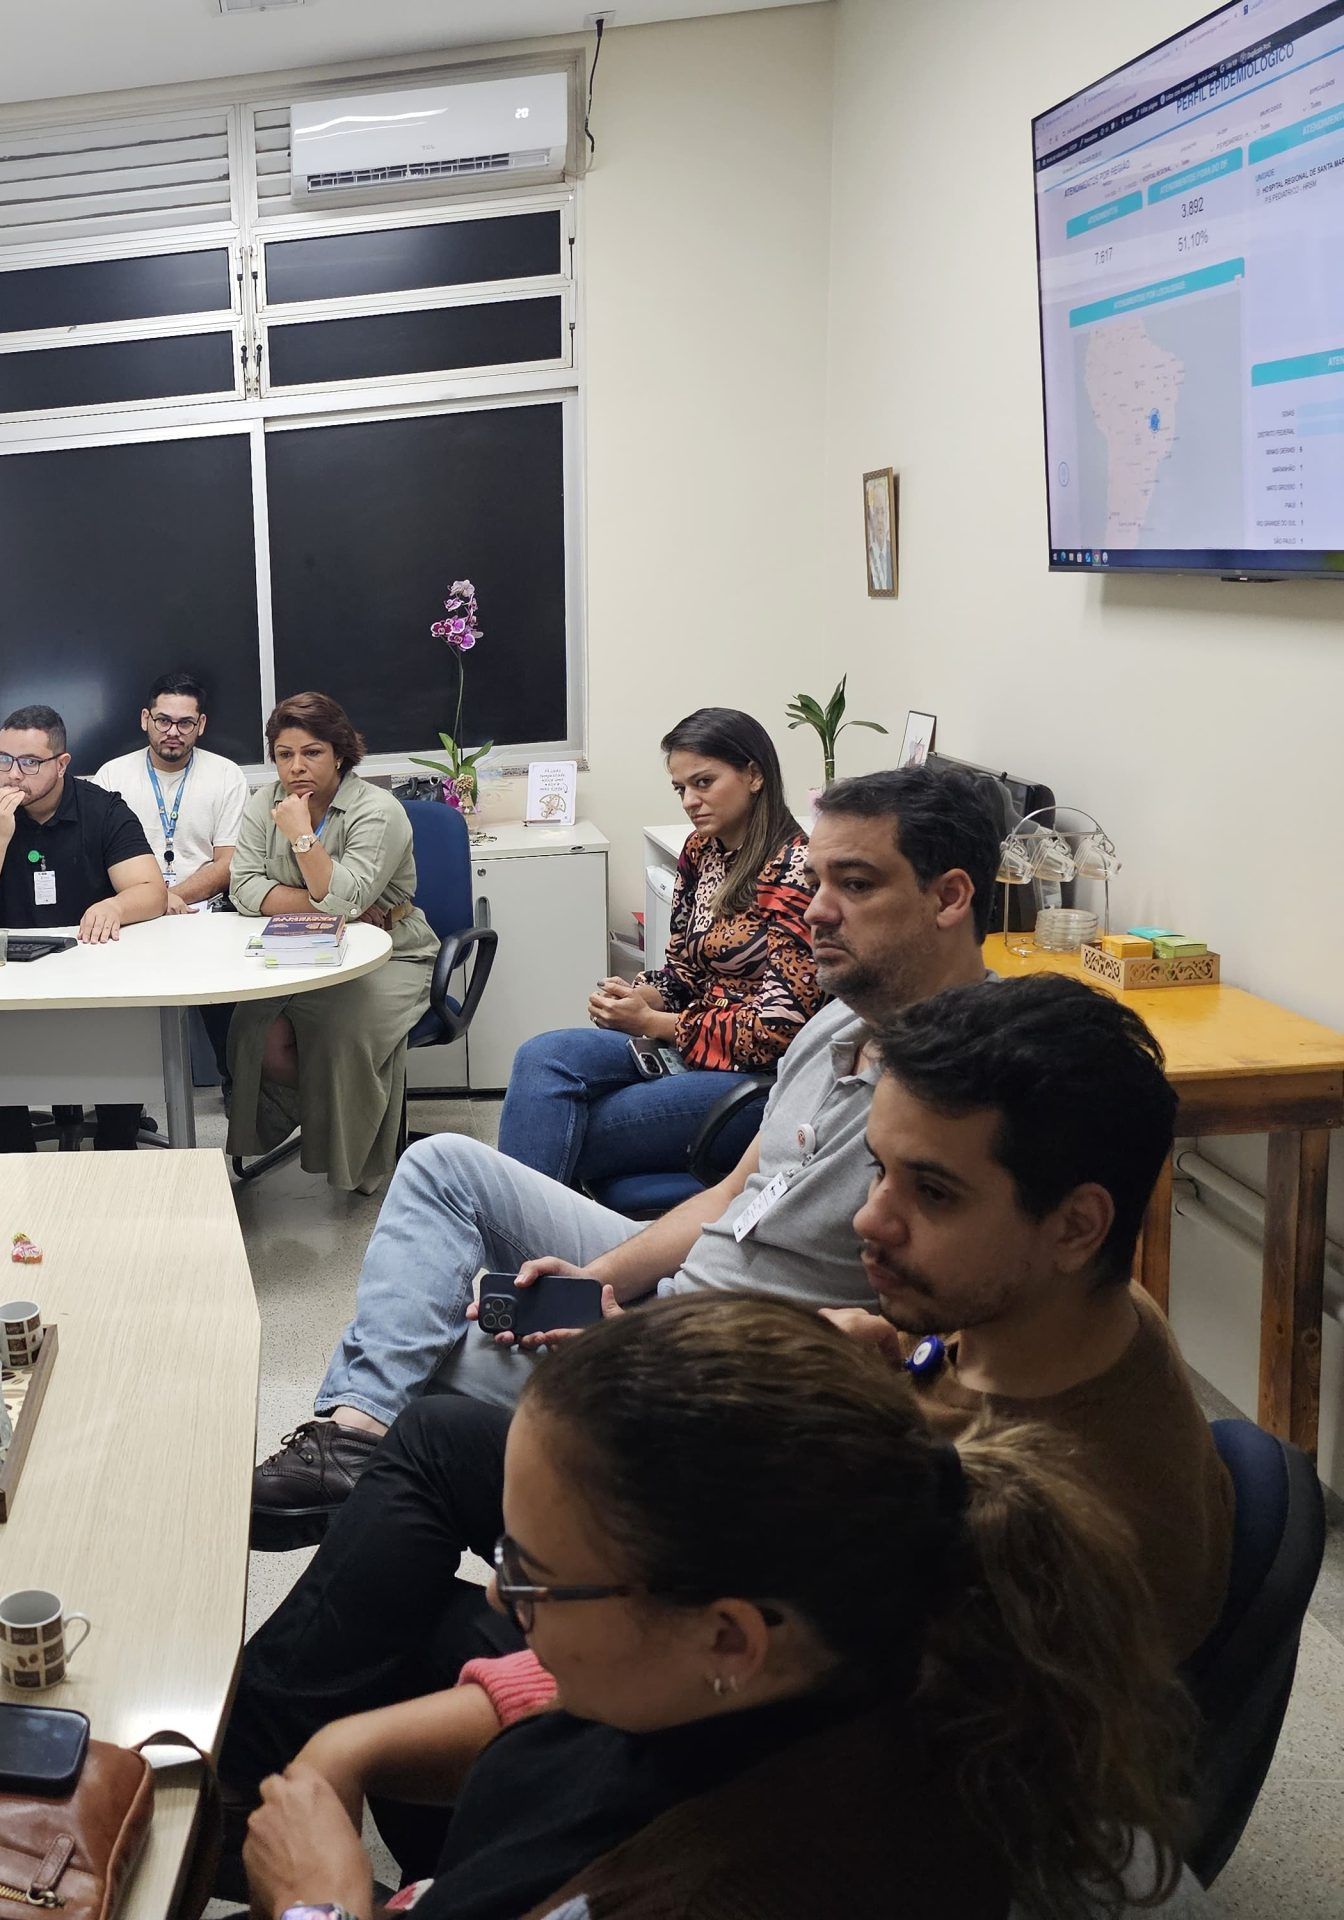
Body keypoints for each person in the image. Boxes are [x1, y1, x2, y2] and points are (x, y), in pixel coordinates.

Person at [222, 971, 1232, 1892]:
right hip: (740, 1679)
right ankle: (255, 1789)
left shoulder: (1055, 1532)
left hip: (734, 1768)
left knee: (393, 1618)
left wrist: (323, 1900)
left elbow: (786, 1772)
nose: (868, 1221)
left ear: (1076, 1226)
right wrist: (876, 1355)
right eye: (877, 1173)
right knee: (435, 1448)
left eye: (931, 1193)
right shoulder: (1052, 1322)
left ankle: (261, 1816)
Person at [240, 1296, 1198, 1920]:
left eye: (532, 1574)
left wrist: (316, 1906)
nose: (498, 1592)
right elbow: (583, 1710)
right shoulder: (827, 1657)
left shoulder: (743, 1885)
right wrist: (347, 1747)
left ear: (727, 1638)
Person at [252, 763, 1001, 1547]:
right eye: (816, 882)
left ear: (950, 898)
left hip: (730, 1361)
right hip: (681, 1290)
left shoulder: (967, 1091)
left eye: (856, 884)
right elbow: (732, 1195)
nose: (815, 910)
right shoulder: (838, 1022)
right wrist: (599, 1279)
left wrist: (645, 1341)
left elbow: (912, 1341)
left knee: (407, 1363)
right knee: (443, 1167)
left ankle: (378, 1452)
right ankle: (362, 1444)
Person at [498, 708, 817, 1191]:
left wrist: (652, 1023)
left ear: (754, 775)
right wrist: (639, 996)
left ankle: (519, 1231)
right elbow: (683, 971)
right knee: (542, 1056)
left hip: (757, 1079)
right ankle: (525, 1229)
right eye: (680, 788)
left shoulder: (797, 870)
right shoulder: (701, 850)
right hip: (686, 1044)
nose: (690, 801)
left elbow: (780, 1031)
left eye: (704, 783)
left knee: (565, 1127)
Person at [226, 693, 439, 1196]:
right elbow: (243, 887)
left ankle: (358, 1155)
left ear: (340, 753)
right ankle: (334, 1119)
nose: (296, 767)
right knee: (252, 1027)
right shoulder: (263, 803)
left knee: (344, 1029)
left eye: (312, 752)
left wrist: (303, 836)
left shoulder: (378, 810)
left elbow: (348, 899)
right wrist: (325, 905)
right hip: (300, 947)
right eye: (284, 754)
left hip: (389, 948)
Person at [0, 704, 168, 1152]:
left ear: (61, 764)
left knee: (123, 1036)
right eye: (4, 760)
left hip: (93, 971)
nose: (13, 775)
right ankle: (13, 1155)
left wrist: (115, 905)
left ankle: (116, 1147)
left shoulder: (102, 809)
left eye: (30, 762)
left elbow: (152, 891)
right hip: (7, 977)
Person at [89, 672, 251, 911]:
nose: (173, 732)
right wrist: (148, 904)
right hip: (130, 913)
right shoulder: (112, 776)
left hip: (205, 913)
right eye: (163, 721)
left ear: (201, 724)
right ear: (145, 719)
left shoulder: (227, 775)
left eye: (185, 723)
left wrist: (165, 899)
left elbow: (229, 863)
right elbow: (96, 861)